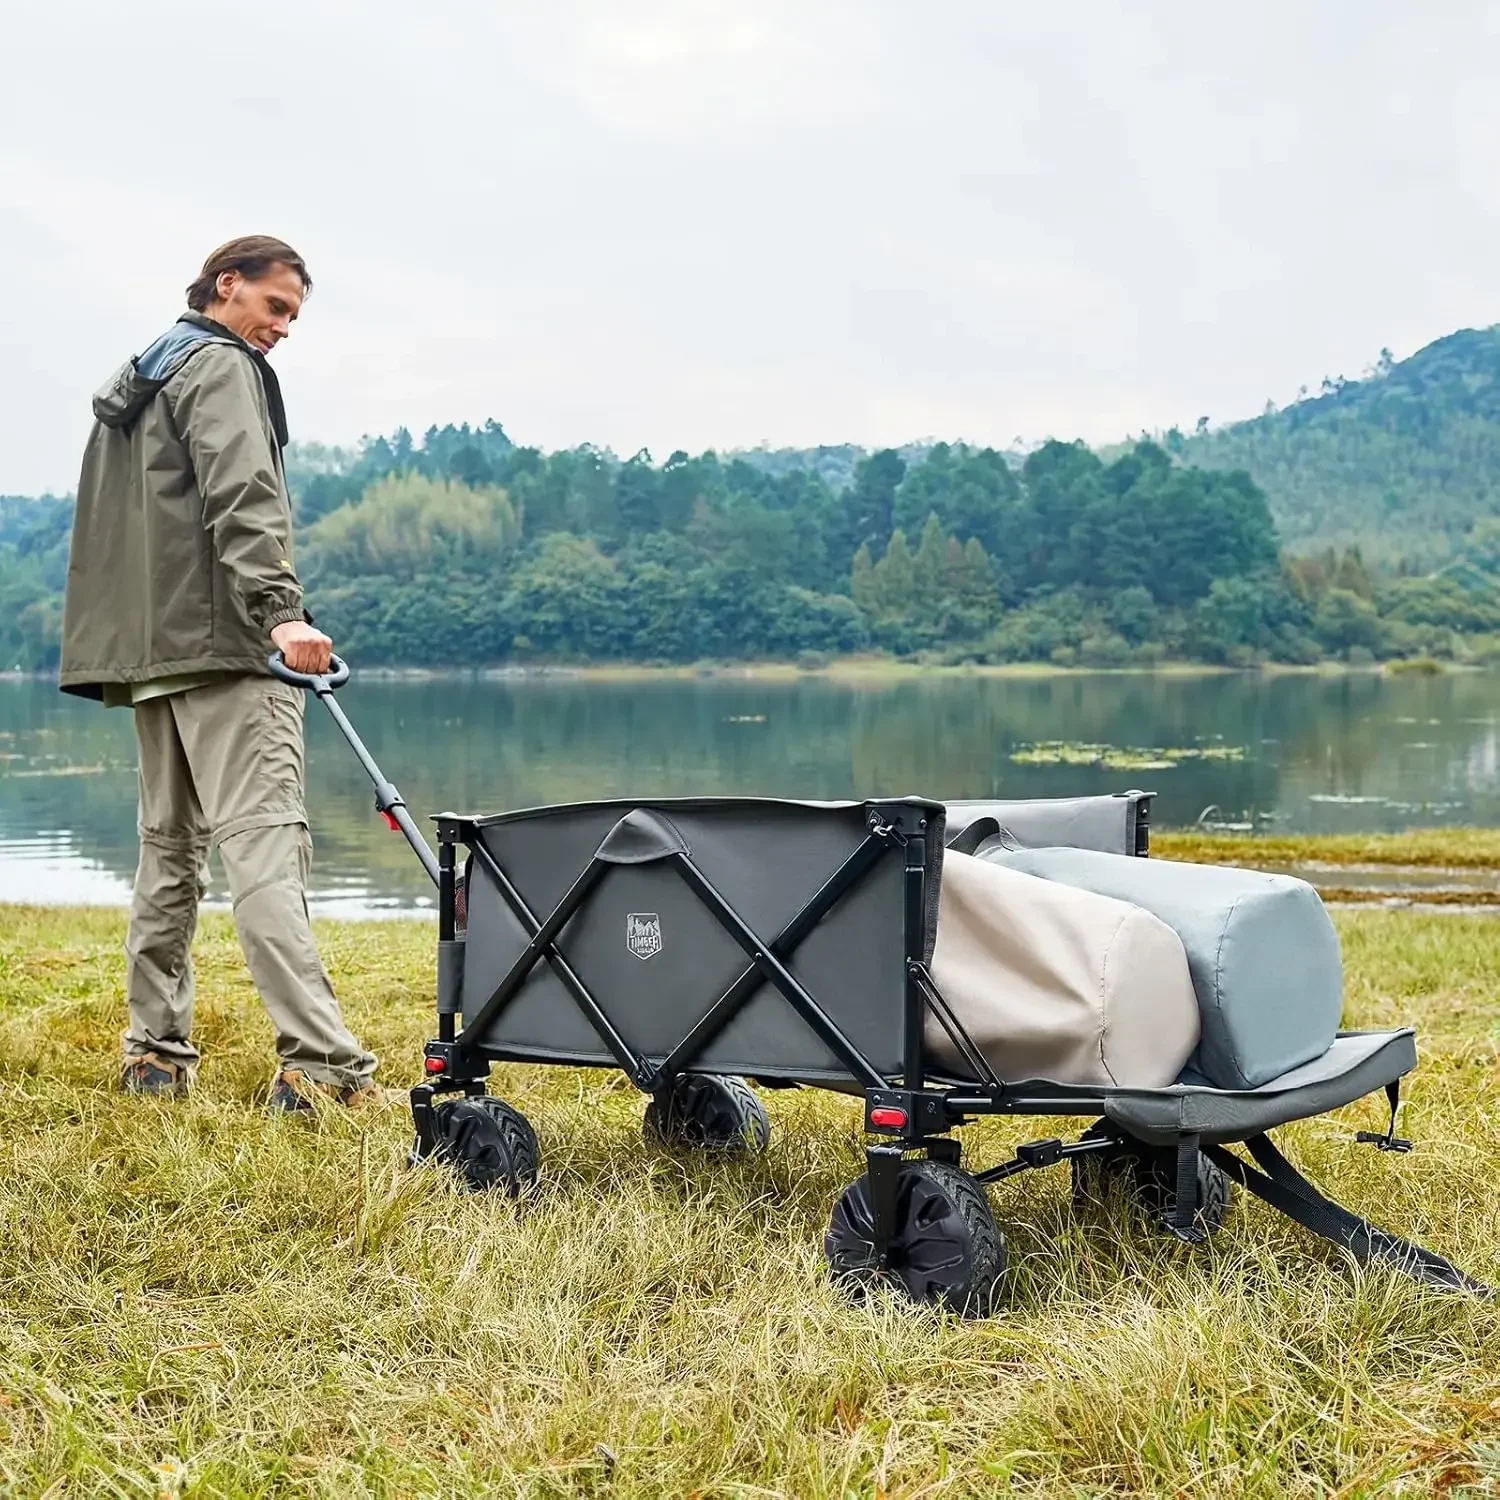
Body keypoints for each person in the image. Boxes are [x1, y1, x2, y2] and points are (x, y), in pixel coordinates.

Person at [58, 235, 380, 1110]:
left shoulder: (139, 387)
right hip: (228, 648)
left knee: (168, 856)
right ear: (226, 285)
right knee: (267, 845)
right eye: (275, 307)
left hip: (155, 658)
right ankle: (321, 1067)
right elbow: (243, 492)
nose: (282, 329)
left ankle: (153, 1057)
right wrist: (282, 609)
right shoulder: (219, 367)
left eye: (293, 317)